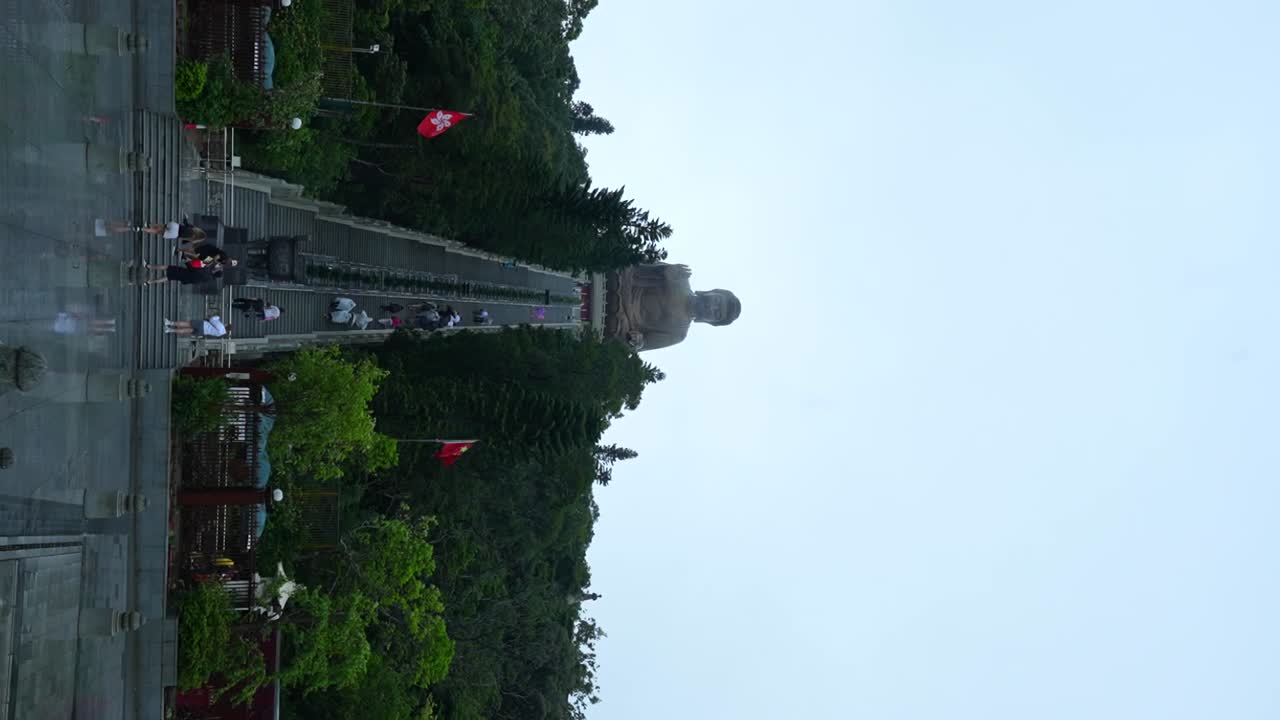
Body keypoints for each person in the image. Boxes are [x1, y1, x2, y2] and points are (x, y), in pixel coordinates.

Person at [144, 263, 212, 286]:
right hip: (183, 278)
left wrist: (187, 262)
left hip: (183, 271)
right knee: (167, 278)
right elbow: (192, 282)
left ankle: (149, 266)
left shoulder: (202, 272)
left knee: (166, 267)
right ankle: (149, 282)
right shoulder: (201, 280)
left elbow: (192, 268)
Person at [164, 315, 230, 337]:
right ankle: (169, 330)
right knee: (185, 331)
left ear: (226, 325)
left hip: (202, 324)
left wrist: (217, 317)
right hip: (202, 332)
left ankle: (169, 323)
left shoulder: (221, 326)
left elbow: (211, 319)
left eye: (226, 324)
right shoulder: (221, 334)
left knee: (186, 324)